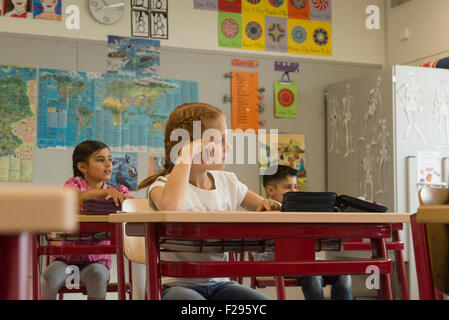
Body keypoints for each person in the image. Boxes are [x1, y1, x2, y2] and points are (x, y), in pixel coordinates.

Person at [137, 102, 281, 300]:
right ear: (194, 145)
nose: (228, 146)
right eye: (221, 140)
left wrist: (271, 206)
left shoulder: (228, 182)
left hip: (220, 284)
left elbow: (265, 206)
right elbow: (172, 207)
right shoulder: (161, 186)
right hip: (175, 286)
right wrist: (185, 155)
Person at [41, 140, 133, 300]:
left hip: (97, 263)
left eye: (110, 159)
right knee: (49, 277)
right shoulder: (74, 185)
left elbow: (133, 207)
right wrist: (103, 195)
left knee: (97, 276)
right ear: (82, 167)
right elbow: (76, 197)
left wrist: (126, 200)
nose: (108, 164)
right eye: (100, 159)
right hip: (65, 260)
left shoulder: (116, 192)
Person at [260, 164, 353, 300]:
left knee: (343, 273)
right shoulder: (263, 211)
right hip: (274, 262)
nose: (293, 191)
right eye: (287, 187)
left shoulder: (298, 212)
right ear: (270, 190)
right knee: (311, 273)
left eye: (295, 186)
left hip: (304, 261)